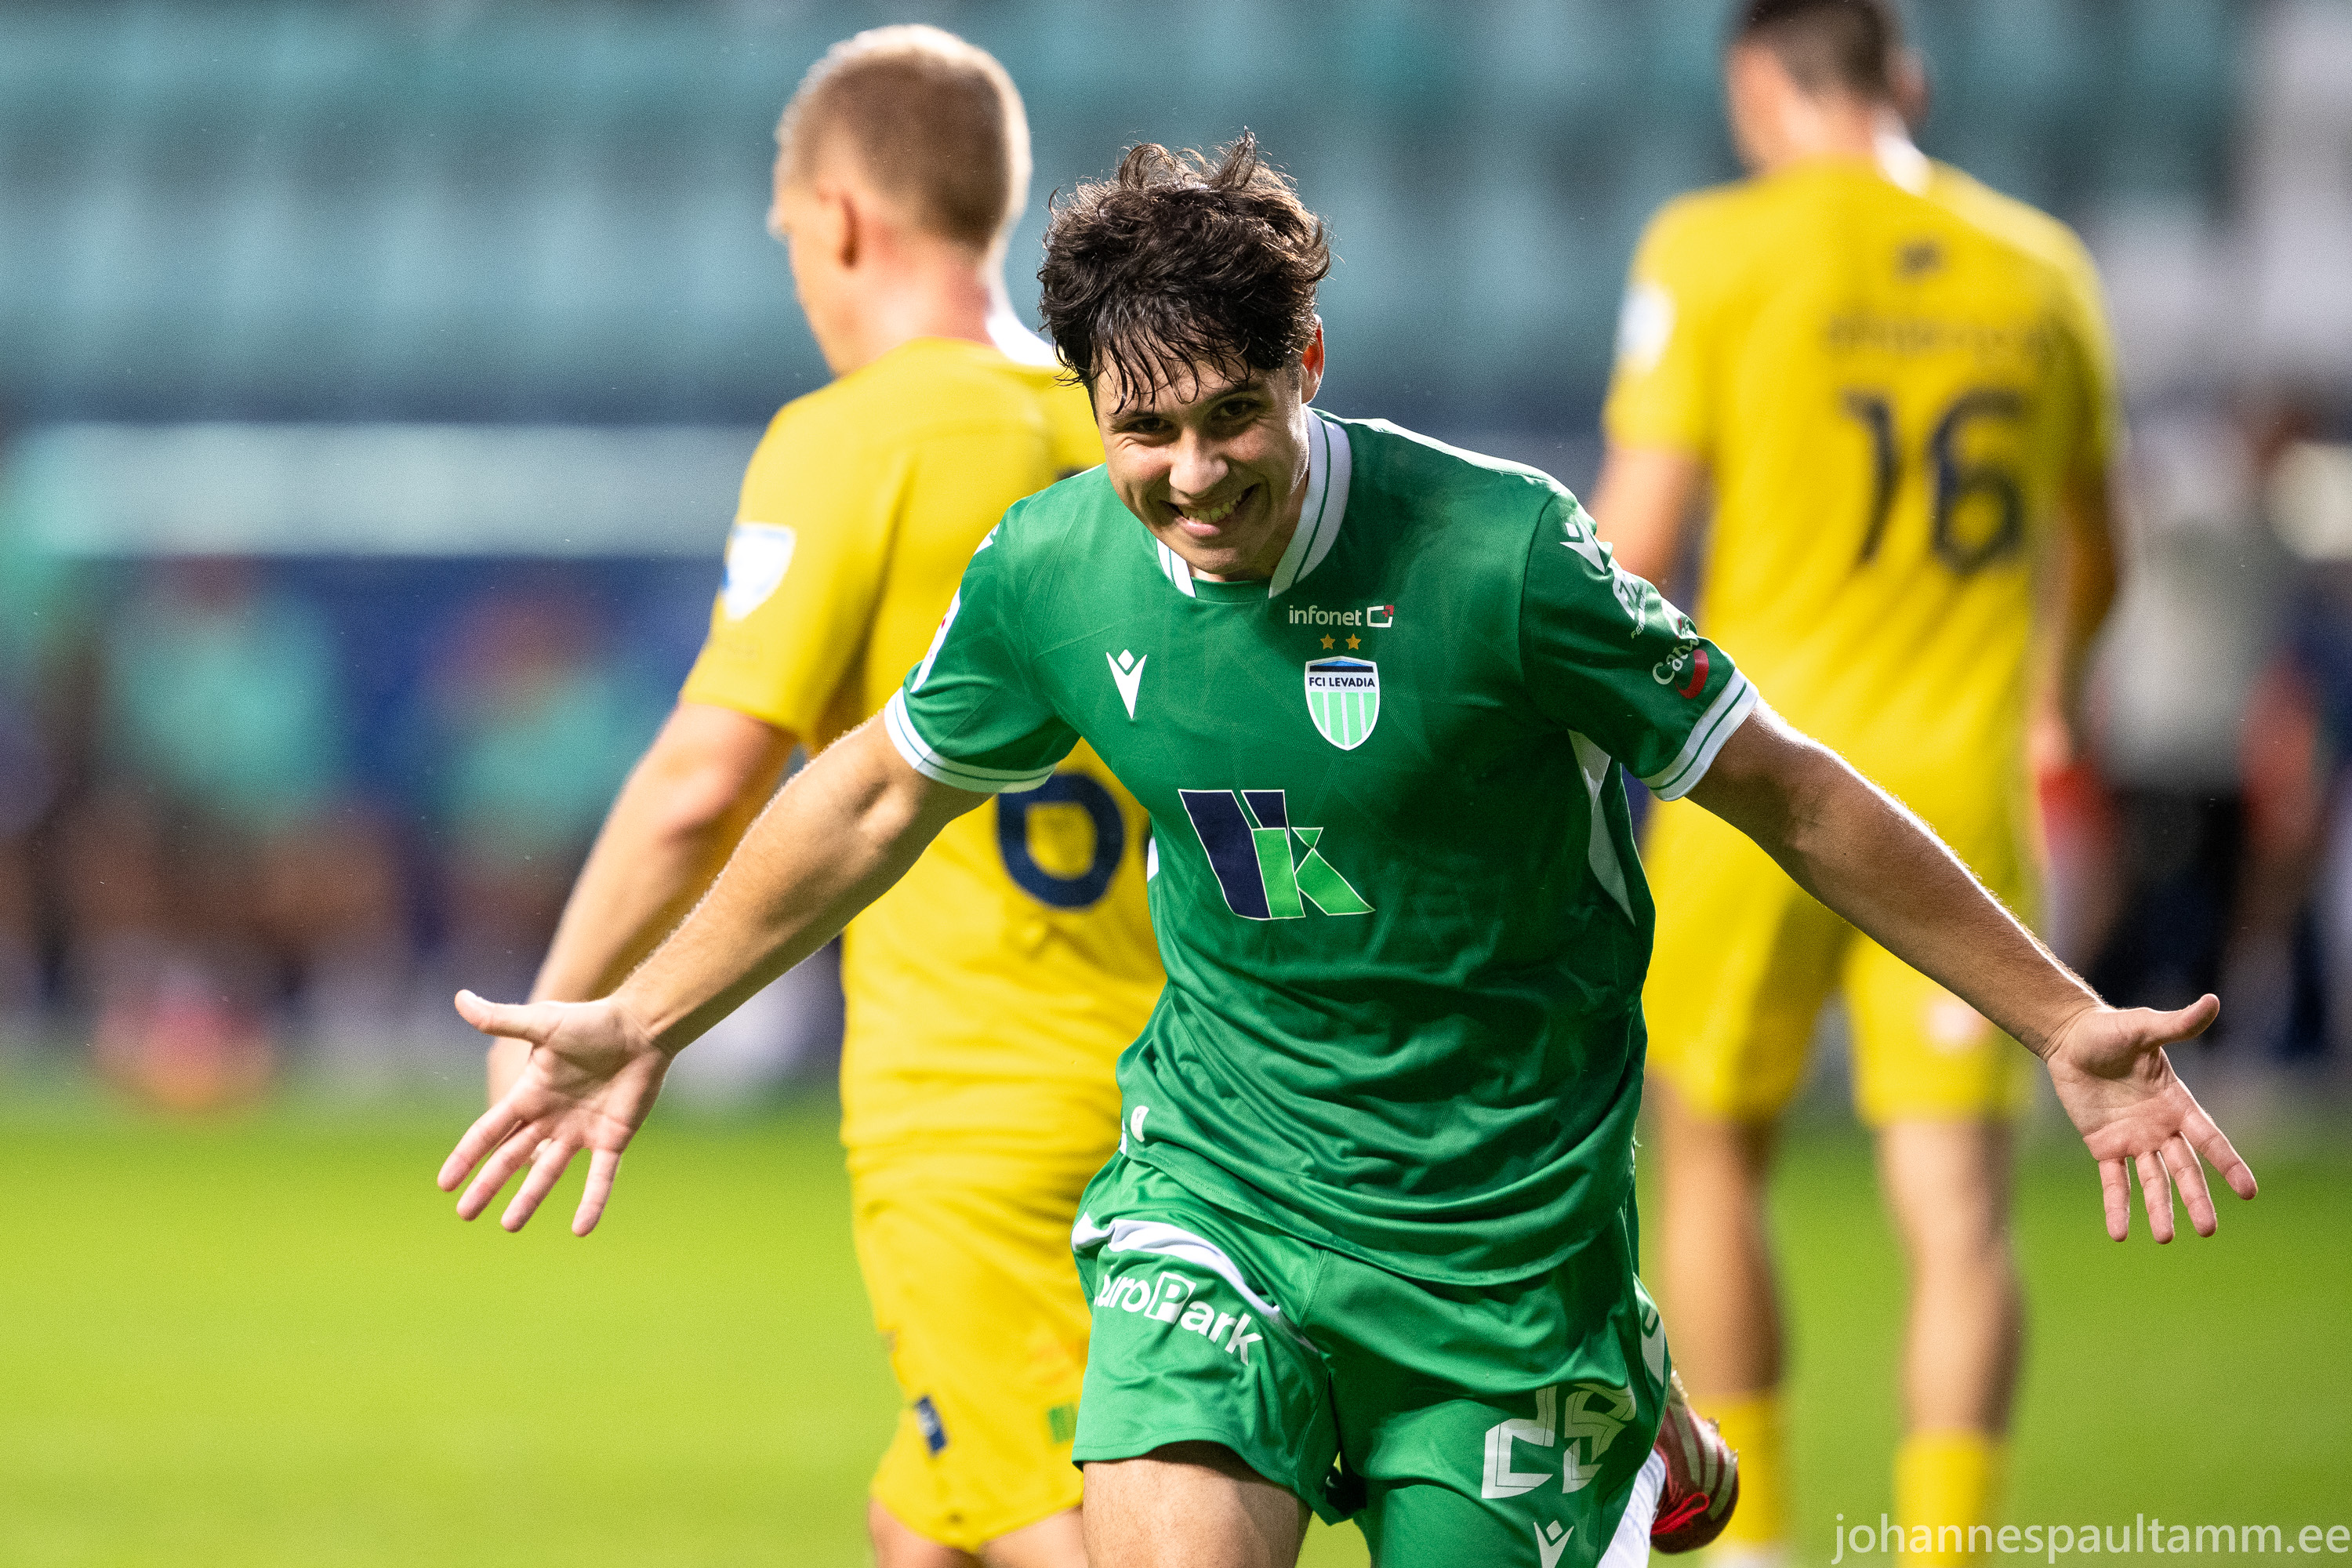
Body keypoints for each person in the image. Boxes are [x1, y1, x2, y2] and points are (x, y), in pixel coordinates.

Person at [437, 137, 2252, 1568]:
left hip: (1499, 1237)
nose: (1193, 473)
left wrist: (2060, 1017)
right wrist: (644, 1014)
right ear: (1088, 406)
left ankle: (1620, 1380)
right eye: (1144, 430)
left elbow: (1789, 789)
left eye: (1233, 413)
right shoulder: (1052, 570)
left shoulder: (1505, 557)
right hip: (1221, 1191)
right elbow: (864, 794)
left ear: (1307, 362)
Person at [480, 27, 1160, 1568]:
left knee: (1070, 1530)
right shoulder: (1133, 433)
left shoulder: (857, 437)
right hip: (1184, 1077)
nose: (795, 265)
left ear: (841, 217)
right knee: (922, 1520)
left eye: (790, 230)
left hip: (979, 1104)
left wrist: (569, 1008)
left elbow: (701, 782)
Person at [1588, 4, 2129, 1565]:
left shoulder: (1712, 251)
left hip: (1756, 783)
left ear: (1757, 87)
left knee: (1712, 1151)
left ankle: (1751, 1544)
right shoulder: (2041, 270)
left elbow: (1632, 545)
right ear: (1909, 80)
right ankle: (1945, 1551)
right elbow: (2100, 551)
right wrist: (2052, 695)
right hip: (1960, 792)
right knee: (1959, 1210)